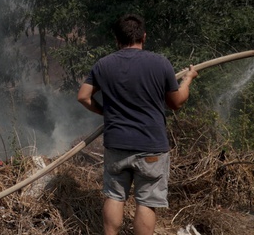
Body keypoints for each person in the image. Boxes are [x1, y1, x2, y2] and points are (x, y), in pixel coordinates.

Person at [77, 14, 198, 235]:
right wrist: (188, 79)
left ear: (117, 39)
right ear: (143, 36)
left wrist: (106, 112)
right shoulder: (160, 63)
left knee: (114, 196)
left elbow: (83, 96)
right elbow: (176, 103)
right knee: (147, 201)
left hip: (117, 144)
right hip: (151, 146)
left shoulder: (103, 65)